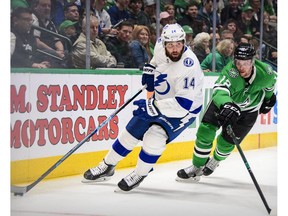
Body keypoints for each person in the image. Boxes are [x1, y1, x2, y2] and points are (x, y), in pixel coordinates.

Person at [82, 23, 204, 191]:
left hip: (184, 109)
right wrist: (150, 69)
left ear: (184, 42)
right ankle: (107, 165)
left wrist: (153, 105)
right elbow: (156, 60)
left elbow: (183, 105)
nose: (175, 49)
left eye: (178, 44)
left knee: (155, 137)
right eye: (170, 45)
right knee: (131, 131)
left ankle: (139, 173)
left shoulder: (189, 66)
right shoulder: (162, 45)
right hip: (161, 99)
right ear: (164, 43)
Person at [176, 43, 277, 182]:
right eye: (238, 62)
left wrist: (269, 99)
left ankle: (215, 161)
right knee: (205, 131)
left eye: (246, 63)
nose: (241, 67)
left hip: (248, 111)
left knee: (227, 143)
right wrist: (227, 104)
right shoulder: (230, 71)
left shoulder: (266, 72)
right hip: (224, 104)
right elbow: (220, 90)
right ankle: (197, 166)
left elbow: (270, 85)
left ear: (253, 61)